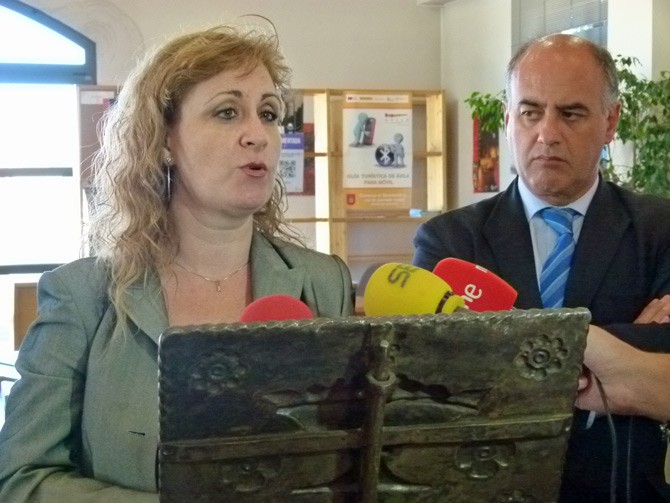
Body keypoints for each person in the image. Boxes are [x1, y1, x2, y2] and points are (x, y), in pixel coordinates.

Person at [0, 23, 353, 502]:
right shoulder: (82, 296)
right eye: (227, 112)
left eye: (269, 114)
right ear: (165, 140)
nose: (258, 135)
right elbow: (22, 480)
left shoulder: (322, 282)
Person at [413, 33, 670, 502]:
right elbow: (439, 385)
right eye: (531, 112)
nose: (547, 134)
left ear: (610, 121)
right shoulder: (449, 243)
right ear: (508, 118)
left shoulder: (661, 231)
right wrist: (625, 345)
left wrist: (507, 341)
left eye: (571, 114)